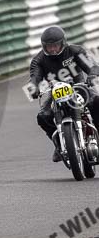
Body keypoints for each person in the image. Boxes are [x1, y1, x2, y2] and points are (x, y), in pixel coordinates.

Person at [29, 26, 99, 162]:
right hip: (54, 91)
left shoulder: (75, 51)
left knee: (96, 101)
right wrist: (33, 88)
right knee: (43, 116)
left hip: (78, 86)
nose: (53, 49)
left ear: (62, 43)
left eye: (55, 45)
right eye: (49, 47)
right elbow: (34, 78)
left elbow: (92, 65)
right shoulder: (38, 60)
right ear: (44, 46)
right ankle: (59, 144)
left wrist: (92, 74)